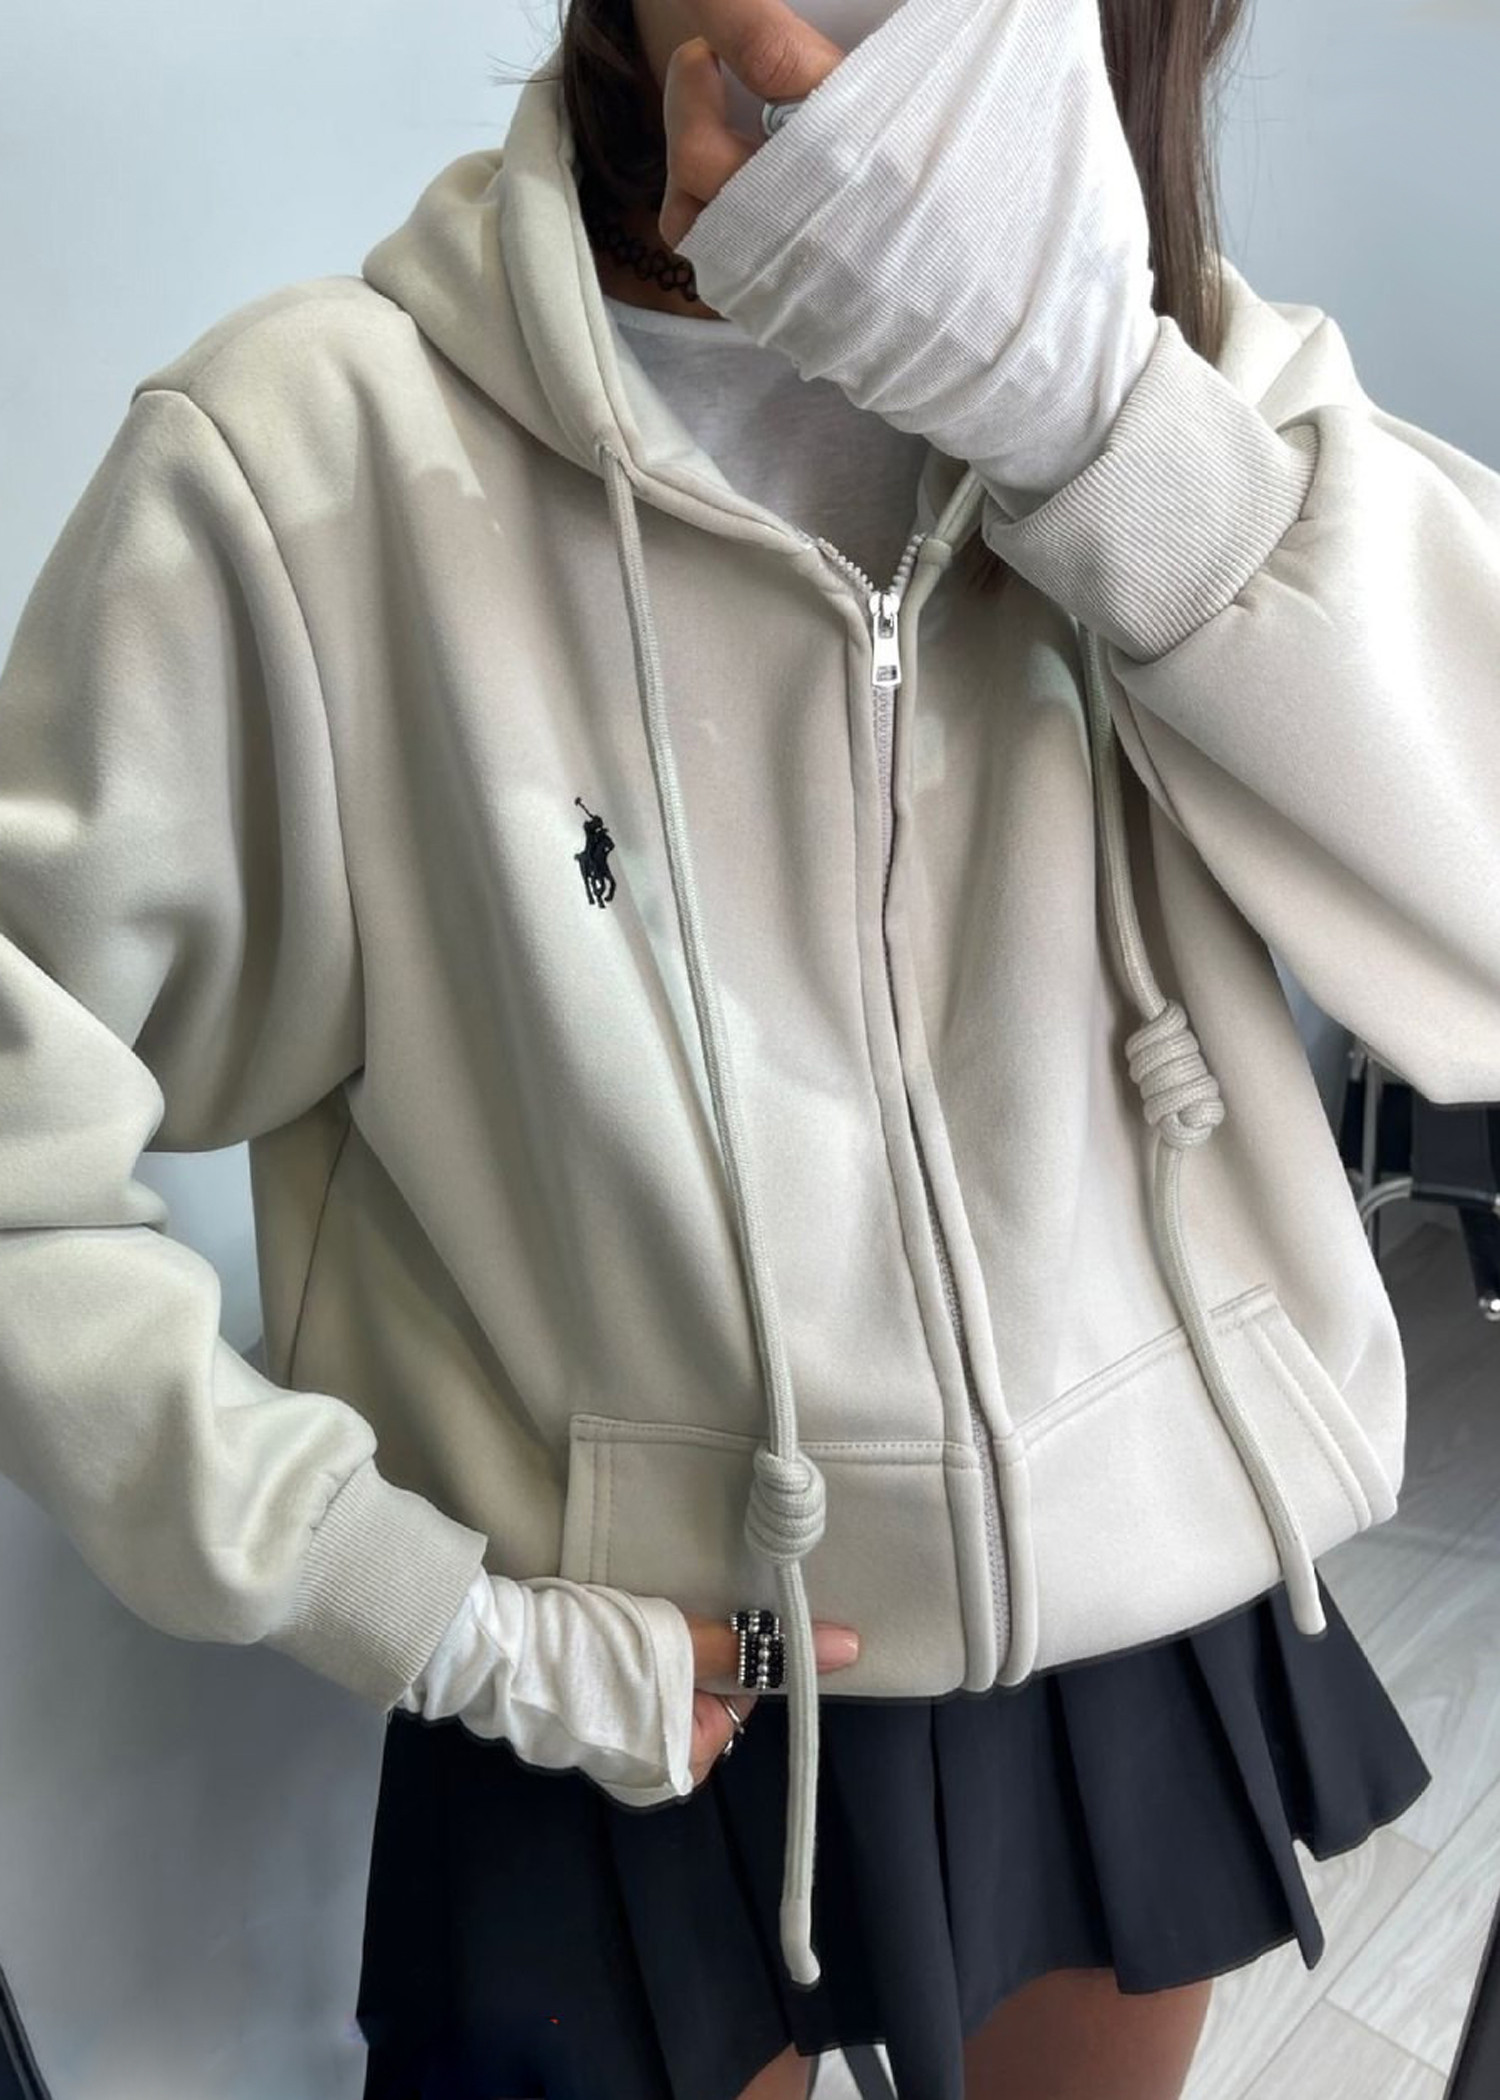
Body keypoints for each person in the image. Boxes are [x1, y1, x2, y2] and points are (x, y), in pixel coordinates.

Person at [10, 0, 1499, 2091]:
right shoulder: (303, 461)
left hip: (1134, 1599)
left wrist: (1095, 424)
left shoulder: (1203, 383)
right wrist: (411, 1600)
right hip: (620, 1674)